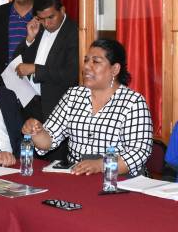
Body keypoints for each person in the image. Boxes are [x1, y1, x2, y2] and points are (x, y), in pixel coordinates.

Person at [22, 39, 153, 176]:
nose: (86, 66)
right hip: (77, 175)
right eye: (86, 60)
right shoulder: (73, 95)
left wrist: (101, 165)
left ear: (115, 69)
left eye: (95, 62)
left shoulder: (133, 102)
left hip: (116, 178)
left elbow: (139, 152)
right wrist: (36, 131)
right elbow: (49, 140)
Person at [13, 0, 79, 122]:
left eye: (51, 17)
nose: (47, 23)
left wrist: (35, 69)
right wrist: (29, 39)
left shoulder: (75, 32)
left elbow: (71, 74)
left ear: (62, 10)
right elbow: (16, 61)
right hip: (29, 103)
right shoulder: (38, 28)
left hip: (57, 108)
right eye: (41, 19)